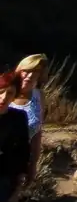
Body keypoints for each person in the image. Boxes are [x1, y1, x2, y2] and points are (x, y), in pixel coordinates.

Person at [0, 71, 31, 202]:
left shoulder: (18, 118)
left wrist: (20, 180)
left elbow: (23, 151)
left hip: (5, 180)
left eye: (9, 93)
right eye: (1, 91)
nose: (4, 97)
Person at [10, 55, 46, 183]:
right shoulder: (4, 91)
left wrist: (33, 164)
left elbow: (37, 131)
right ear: (19, 70)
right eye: (27, 71)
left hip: (20, 162)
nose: (30, 76)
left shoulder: (39, 95)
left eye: (35, 72)